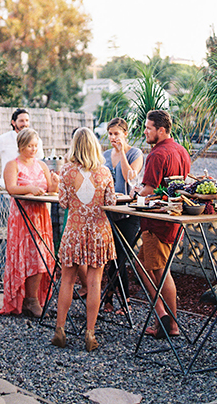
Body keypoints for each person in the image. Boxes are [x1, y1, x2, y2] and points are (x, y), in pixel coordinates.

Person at [51, 127, 117, 351]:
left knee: (67, 280)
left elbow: (63, 202)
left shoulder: (67, 171)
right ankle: (90, 333)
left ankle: (60, 330)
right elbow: (110, 201)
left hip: (74, 230)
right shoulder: (105, 172)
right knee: (94, 282)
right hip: (98, 232)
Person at [136, 108, 191, 338]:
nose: (145, 132)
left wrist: (135, 191)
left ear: (161, 129)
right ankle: (163, 316)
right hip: (174, 220)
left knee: (159, 271)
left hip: (156, 222)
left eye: (149, 128)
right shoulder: (182, 151)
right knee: (142, 265)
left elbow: (149, 191)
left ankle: (170, 323)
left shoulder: (157, 154)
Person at [0, 128, 59, 317]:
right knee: (24, 256)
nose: (33, 149)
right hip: (22, 218)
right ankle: (23, 298)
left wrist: (55, 183)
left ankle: (33, 299)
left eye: (35, 146)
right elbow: (11, 188)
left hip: (40, 216)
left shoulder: (41, 165)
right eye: (29, 146)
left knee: (40, 256)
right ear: (21, 146)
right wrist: (29, 189)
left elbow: (50, 188)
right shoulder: (13, 165)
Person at [102, 117, 144, 311]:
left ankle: (118, 299)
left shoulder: (135, 153)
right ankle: (113, 299)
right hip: (110, 210)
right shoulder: (104, 155)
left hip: (129, 211)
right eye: (110, 134)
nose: (113, 137)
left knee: (121, 255)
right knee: (111, 256)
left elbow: (130, 177)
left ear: (125, 134)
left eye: (116, 134)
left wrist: (122, 155)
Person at [0, 108, 44, 178]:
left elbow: (40, 161)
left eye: (27, 120)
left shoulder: (37, 140)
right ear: (13, 123)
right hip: (9, 185)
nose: (25, 124)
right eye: (21, 121)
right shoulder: (4, 139)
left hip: (30, 184)